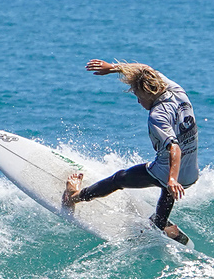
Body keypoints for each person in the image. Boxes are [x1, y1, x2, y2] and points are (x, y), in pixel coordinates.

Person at [63, 59, 199, 244]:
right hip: (190, 173)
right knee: (167, 189)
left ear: (148, 94)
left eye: (139, 96)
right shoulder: (175, 90)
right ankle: (162, 226)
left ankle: (74, 197)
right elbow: (145, 69)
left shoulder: (157, 116)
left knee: (119, 179)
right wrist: (112, 69)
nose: (138, 100)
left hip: (171, 174)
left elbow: (174, 148)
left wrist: (172, 179)